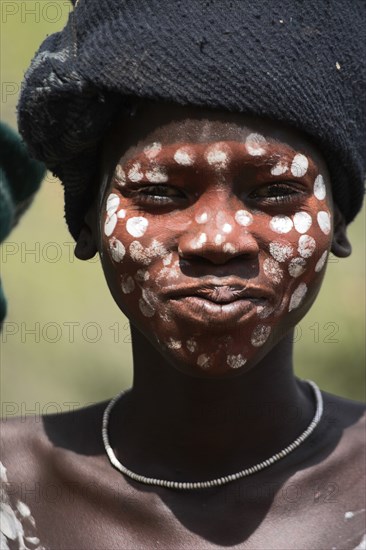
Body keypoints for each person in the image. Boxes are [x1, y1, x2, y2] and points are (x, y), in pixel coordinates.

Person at [1, 1, 365, 548]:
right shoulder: (12, 487)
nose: (218, 240)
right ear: (86, 224)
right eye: (158, 193)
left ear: (337, 223)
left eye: (274, 193)